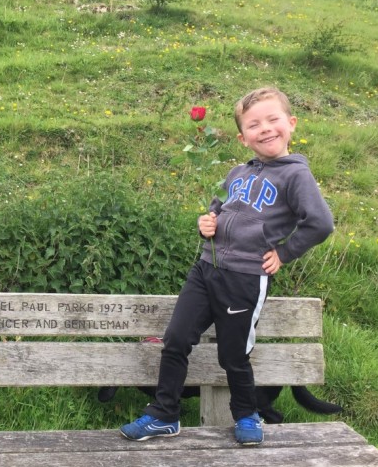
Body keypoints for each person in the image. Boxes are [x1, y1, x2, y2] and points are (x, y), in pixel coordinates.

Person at [120, 87, 334, 445]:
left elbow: (320, 223)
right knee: (175, 339)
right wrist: (207, 223)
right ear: (243, 137)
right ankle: (164, 414)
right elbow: (215, 209)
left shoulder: (295, 176)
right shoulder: (236, 173)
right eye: (254, 125)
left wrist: (284, 253)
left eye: (273, 120)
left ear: (291, 123)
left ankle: (247, 414)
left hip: (246, 277)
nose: (265, 129)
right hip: (206, 269)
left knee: (233, 354)